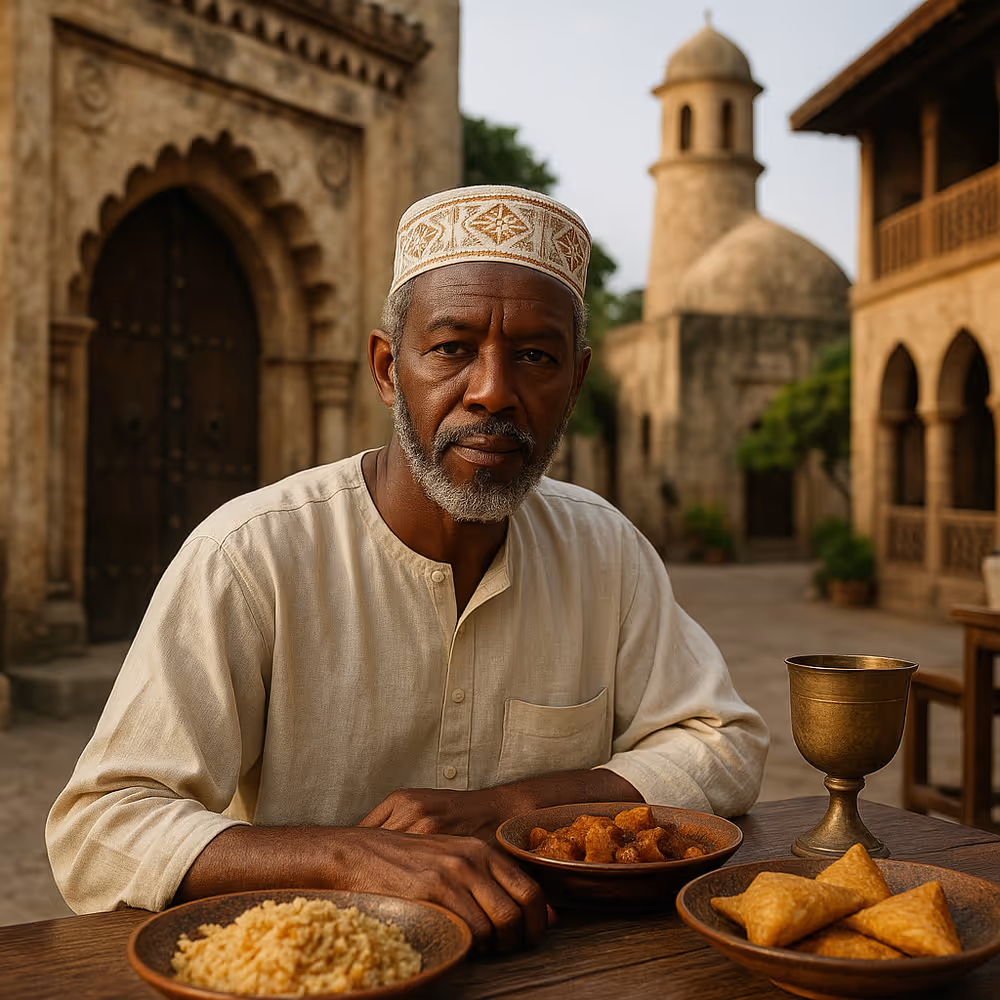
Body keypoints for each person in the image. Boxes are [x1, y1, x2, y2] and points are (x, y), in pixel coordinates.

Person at [47, 185, 768, 952]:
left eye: (534, 356)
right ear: (389, 368)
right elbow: (101, 825)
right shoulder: (256, 554)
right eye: (453, 349)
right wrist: (343, 857)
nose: (494, 391)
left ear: (576, 382)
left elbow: (722, 743)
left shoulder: (604, 550)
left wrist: (514, 807)